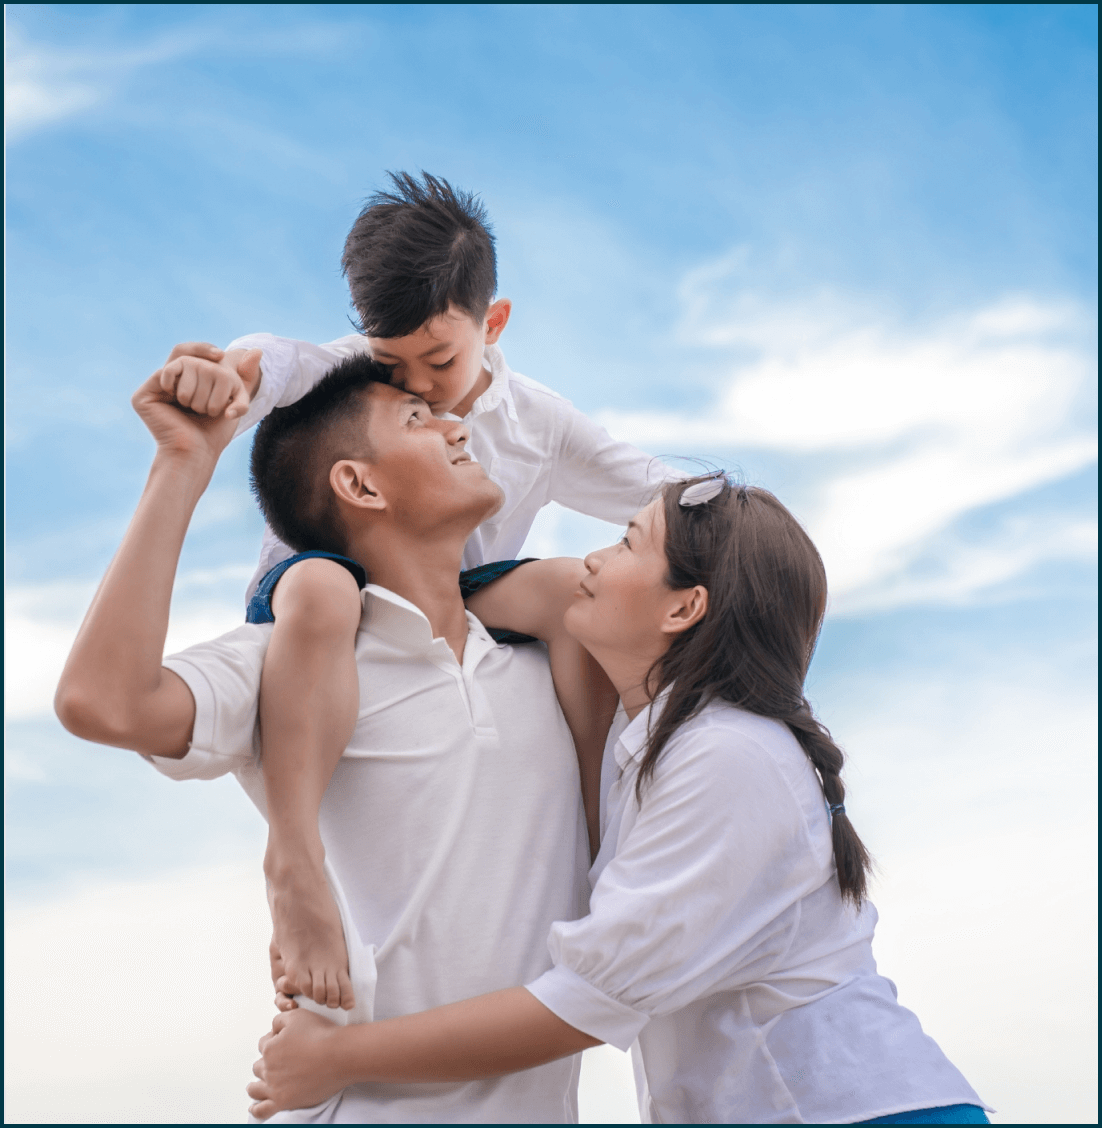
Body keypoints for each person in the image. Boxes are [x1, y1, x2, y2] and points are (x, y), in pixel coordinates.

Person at [246, 473, 994, 1126]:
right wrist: (325, 588)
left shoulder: (729, 756)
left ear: (683, 608)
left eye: (630, 544)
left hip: (855, 1112)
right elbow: (450, 594)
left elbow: (580, 1002)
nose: (594, 561)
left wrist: (338, 1057)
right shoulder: (654, 740)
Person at [55, 351, 618, 1123]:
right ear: (359, 484)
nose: (457, 427)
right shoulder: (294, 667)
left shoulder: (543, 659)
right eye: (418, 421)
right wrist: (183, 463)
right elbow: (100, 701)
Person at [161, 172, 677, 1010]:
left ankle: (597, 842)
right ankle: (293, 859)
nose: (421, 389)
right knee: (329, 588)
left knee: (567, 594)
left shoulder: (539, 422)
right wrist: (227, 374)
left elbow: (646, 484)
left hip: (454, 599)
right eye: (392, 363)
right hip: (316, 590)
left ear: (493, 323)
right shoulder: (359, 377)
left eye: (439, 360)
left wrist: (736, 513)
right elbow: (279, 358)